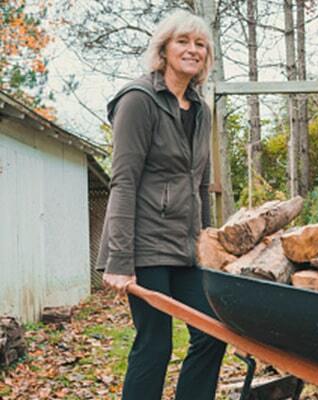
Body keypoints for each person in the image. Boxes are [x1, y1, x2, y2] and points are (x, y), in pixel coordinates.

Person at [96, 9, 226, 400]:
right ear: (164, 49)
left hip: (186, 248)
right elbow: (123, 181)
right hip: (146, 245)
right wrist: (120, 260)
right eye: (183, 42)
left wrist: (206, 247)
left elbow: (200, 183)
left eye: (200, 44)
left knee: (213, 332)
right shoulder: (138, 101)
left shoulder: (201, 108)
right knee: (155, 344)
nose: (192, 50)